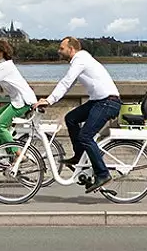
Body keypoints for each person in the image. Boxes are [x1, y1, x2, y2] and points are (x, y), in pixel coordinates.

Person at [32, 36, 121, 194]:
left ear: (71, 49)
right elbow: (69, 84)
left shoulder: (81, 59)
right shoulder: (79, 61)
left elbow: (66, 82)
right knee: (71, 118)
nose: (59, 51)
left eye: (61, 48)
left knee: (86, 136)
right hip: (99, 101)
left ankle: (103, 174)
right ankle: (80, 155)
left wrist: (49, 100)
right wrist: (51, 99)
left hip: (107, 102)